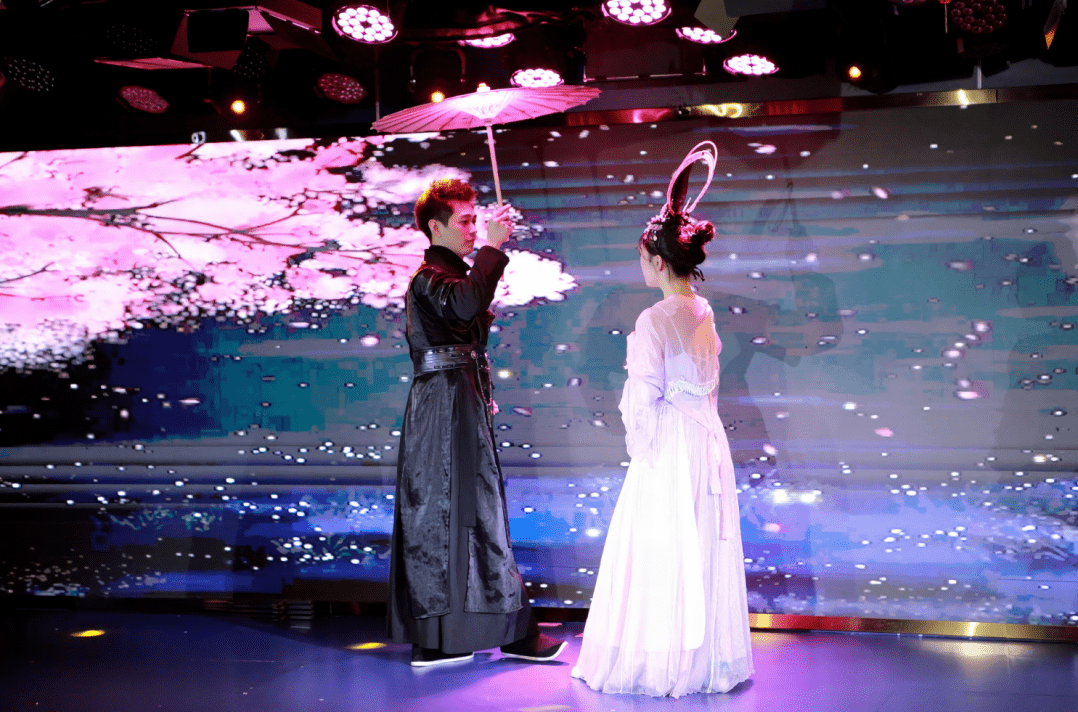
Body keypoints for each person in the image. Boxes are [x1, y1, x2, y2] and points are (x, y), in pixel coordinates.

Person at [571, 143, 753, 697]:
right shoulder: (701, 309)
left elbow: (642, 398)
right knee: (696, 542)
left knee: (661, 546)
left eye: (640, 257)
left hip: (671, 444)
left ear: (656, 260)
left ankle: (662, 662)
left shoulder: (654, 318)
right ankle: (697, 660)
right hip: (705, 440)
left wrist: (641, 449)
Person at [387, 178, 565, 667]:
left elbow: (468, 318)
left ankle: (478, 632)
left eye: (475, 221)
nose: (472, 229)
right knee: (449, 513)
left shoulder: (450, 277)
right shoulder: (428, 278)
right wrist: (492, 248)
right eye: (464, 221)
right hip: (442, 406)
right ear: (435, 227)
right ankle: (458, 634)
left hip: (457, 399)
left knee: (472, 511)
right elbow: (464, 306)